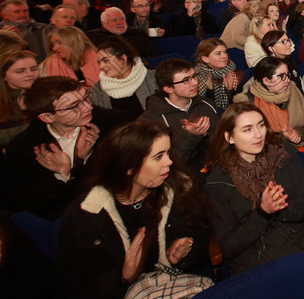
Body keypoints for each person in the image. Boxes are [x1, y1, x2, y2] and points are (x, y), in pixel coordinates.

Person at [56, 121, 213, 299]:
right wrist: (122, 277)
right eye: (158, 156)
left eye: (168, 153)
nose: (169, 161)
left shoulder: (179, 189)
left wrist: (182, 252)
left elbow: (203, 240)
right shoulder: (87, 214)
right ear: (129, 167)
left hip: (182, 286)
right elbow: (73, 285)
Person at [205, 103, 304, 274]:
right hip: (254, 257)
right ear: (229, 137)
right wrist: (263, 213)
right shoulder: (218, 183)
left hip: (297, 239)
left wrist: (278, 208)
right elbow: (229, 246)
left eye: (261, 125)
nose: (258, 135)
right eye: (247, 129)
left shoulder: (283, 154)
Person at [3, 77, 128, 219]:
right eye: (74, 106)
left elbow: (120, 181)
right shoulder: (23, 147)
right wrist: (62, 175)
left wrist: (80, 161)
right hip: (67, 222)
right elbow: (26, 204)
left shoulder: (115, 124)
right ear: (47, 117)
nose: (88, 107)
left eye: (86, 98)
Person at [139, 58, 220, 175]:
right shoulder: (151, 120)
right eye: (186, 80)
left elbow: (221, 145)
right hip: (181, 178)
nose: (195, 82)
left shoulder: (207, 104)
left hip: (214, 171)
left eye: (194, 76)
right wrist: (190, 136)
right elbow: (169, 164)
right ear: (168, 88)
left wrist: (206, 134)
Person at [234, 57, 304, 143]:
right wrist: (283, 136)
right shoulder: (248, 103)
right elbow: (252, 139)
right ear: (266, 81)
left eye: (287, 75)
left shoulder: (294, 90)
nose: (287, 80)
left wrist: (298, 133)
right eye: (282, 76)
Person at [89, 37, 157, 118]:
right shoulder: (97, 90)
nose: (101, 66)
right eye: (99, 62)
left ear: (123, 58)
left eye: (106, 61)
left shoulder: (154, 78)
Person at [86, 7, 158, 58]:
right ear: (104, 23)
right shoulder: (93, 36)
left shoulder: (139, 33)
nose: (119, 22)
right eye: (114, 20)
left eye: (122, 19)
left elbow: (151, 56)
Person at [0, 50, 38, 147]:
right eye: (20, 71)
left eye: (34, 69)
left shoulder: (49, 92)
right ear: (4, 76)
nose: (30, 74)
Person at [194, 38, 241, 113]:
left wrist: (230, 91)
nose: (224, 56)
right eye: (218, 53)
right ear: (206, 59)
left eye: (225, 52)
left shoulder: (232, 73)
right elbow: (199, 108)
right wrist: (209, 91)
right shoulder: (197, 77)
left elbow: (238, 105)